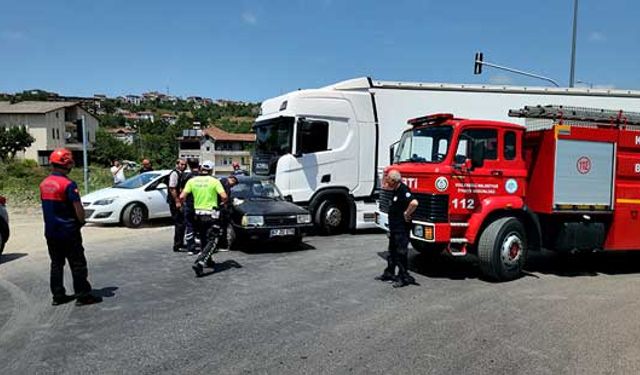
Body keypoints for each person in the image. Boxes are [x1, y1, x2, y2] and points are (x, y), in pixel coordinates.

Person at [39, 148, 103, 306]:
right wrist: (82, 221)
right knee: (77, 264)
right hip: (68, 231)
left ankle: (58, 295)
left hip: (51, 231)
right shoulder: (68, 184)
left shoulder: (44, 183)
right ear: (67, 163)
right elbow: (78, 208)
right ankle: (83, 295)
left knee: (56, 264)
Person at [178, 160, 228, 277]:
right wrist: (221, 204)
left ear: (201, 169)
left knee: (204, 238)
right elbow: (224, 196)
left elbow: (181, 196)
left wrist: (184, 205)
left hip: (197, 214)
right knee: (213, 239)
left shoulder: (192, 181)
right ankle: (200, 262)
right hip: (211, 214)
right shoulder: (214, 181)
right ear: (211, 170)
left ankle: (208, 260)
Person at [376, 169, 419, 288]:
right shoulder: (395, 190)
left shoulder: (403, 190)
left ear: (394, 181)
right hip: (394, 228)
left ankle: (403, 277)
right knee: (392, 253)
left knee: (401, 253)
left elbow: (414, 203)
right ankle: (389, 273)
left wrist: (407, 214)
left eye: (388, 179)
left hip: (402, 229)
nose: (386, 181)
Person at [168, 158, 187, 252]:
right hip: (175, 202)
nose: (184, 166)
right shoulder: (174, 174)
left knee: (182, 223)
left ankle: (180, 243)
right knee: (179, 223)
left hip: (180, 201)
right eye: (182, 164)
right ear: (177, 164)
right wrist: (177, 201)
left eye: (185, 164)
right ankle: (177, 245)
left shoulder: (181, 173)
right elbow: (172, 188)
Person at [181, 158, 200, 254]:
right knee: (201, 226)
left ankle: (190, 248)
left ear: (188, 165)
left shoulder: (186, 177)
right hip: (201, 204)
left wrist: (182, 203)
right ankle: (202, 247)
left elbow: (182, 192)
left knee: (189, 226)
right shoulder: (202, 177)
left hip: (189, 204)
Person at [217, 174, 239, 250]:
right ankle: (222, 245)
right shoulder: (225, 184)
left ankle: (220, 244)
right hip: (221, 209)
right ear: (232, 180)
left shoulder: (221, 181)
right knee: (222, 227)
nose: (232, 186)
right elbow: (225, 197)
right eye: (233, 184)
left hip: (217, 207)